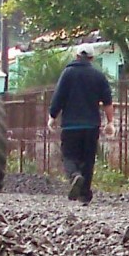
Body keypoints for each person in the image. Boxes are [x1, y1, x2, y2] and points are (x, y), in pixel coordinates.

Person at [48, 45, 115, 205]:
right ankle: (84, 194)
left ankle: (74, 176)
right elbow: (107, 101)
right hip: (91, 125)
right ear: (92, 58)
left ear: (76, 56)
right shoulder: (98, 75)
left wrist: (52, 116)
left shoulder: (67, 73)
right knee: (88, 159)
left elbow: (58, 97)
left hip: (71, 125)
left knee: (69, 156)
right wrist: (110, 122)